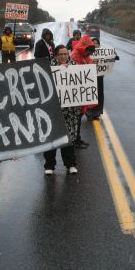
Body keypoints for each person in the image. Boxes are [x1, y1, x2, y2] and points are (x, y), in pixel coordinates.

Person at [43, 45, 80, 175]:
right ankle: (49, 165)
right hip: (53, 110)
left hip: (70, 112)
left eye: (65, 54)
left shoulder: (75, 66)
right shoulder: (48, 68)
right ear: (56, 55)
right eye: (61, 54)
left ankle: (71, 164)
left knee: (68, 139)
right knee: (51, 138)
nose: (63, 56)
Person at [70, 35, 98, 148]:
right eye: (88, 51)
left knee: (79, 117)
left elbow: (87, 69)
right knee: (76, 118)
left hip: (81, 92)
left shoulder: (83, 56)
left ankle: (77, 138)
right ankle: (75, 140)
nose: (89, 54)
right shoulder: (75, 55)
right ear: (84, 48)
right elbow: (75, 72)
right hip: (75, 93)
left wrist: (93, 64)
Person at [86, 37, 119, 120]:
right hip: (89, 77)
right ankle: (89, 112)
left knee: (99, 94)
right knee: (90, 94)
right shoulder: (87, 53)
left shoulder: (103, 53)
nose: (94, 44)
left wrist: (114, 57)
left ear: (99, 44)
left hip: (99, 77)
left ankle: (97, 112)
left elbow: (113, 57)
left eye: (96, 43)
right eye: (93, 43)